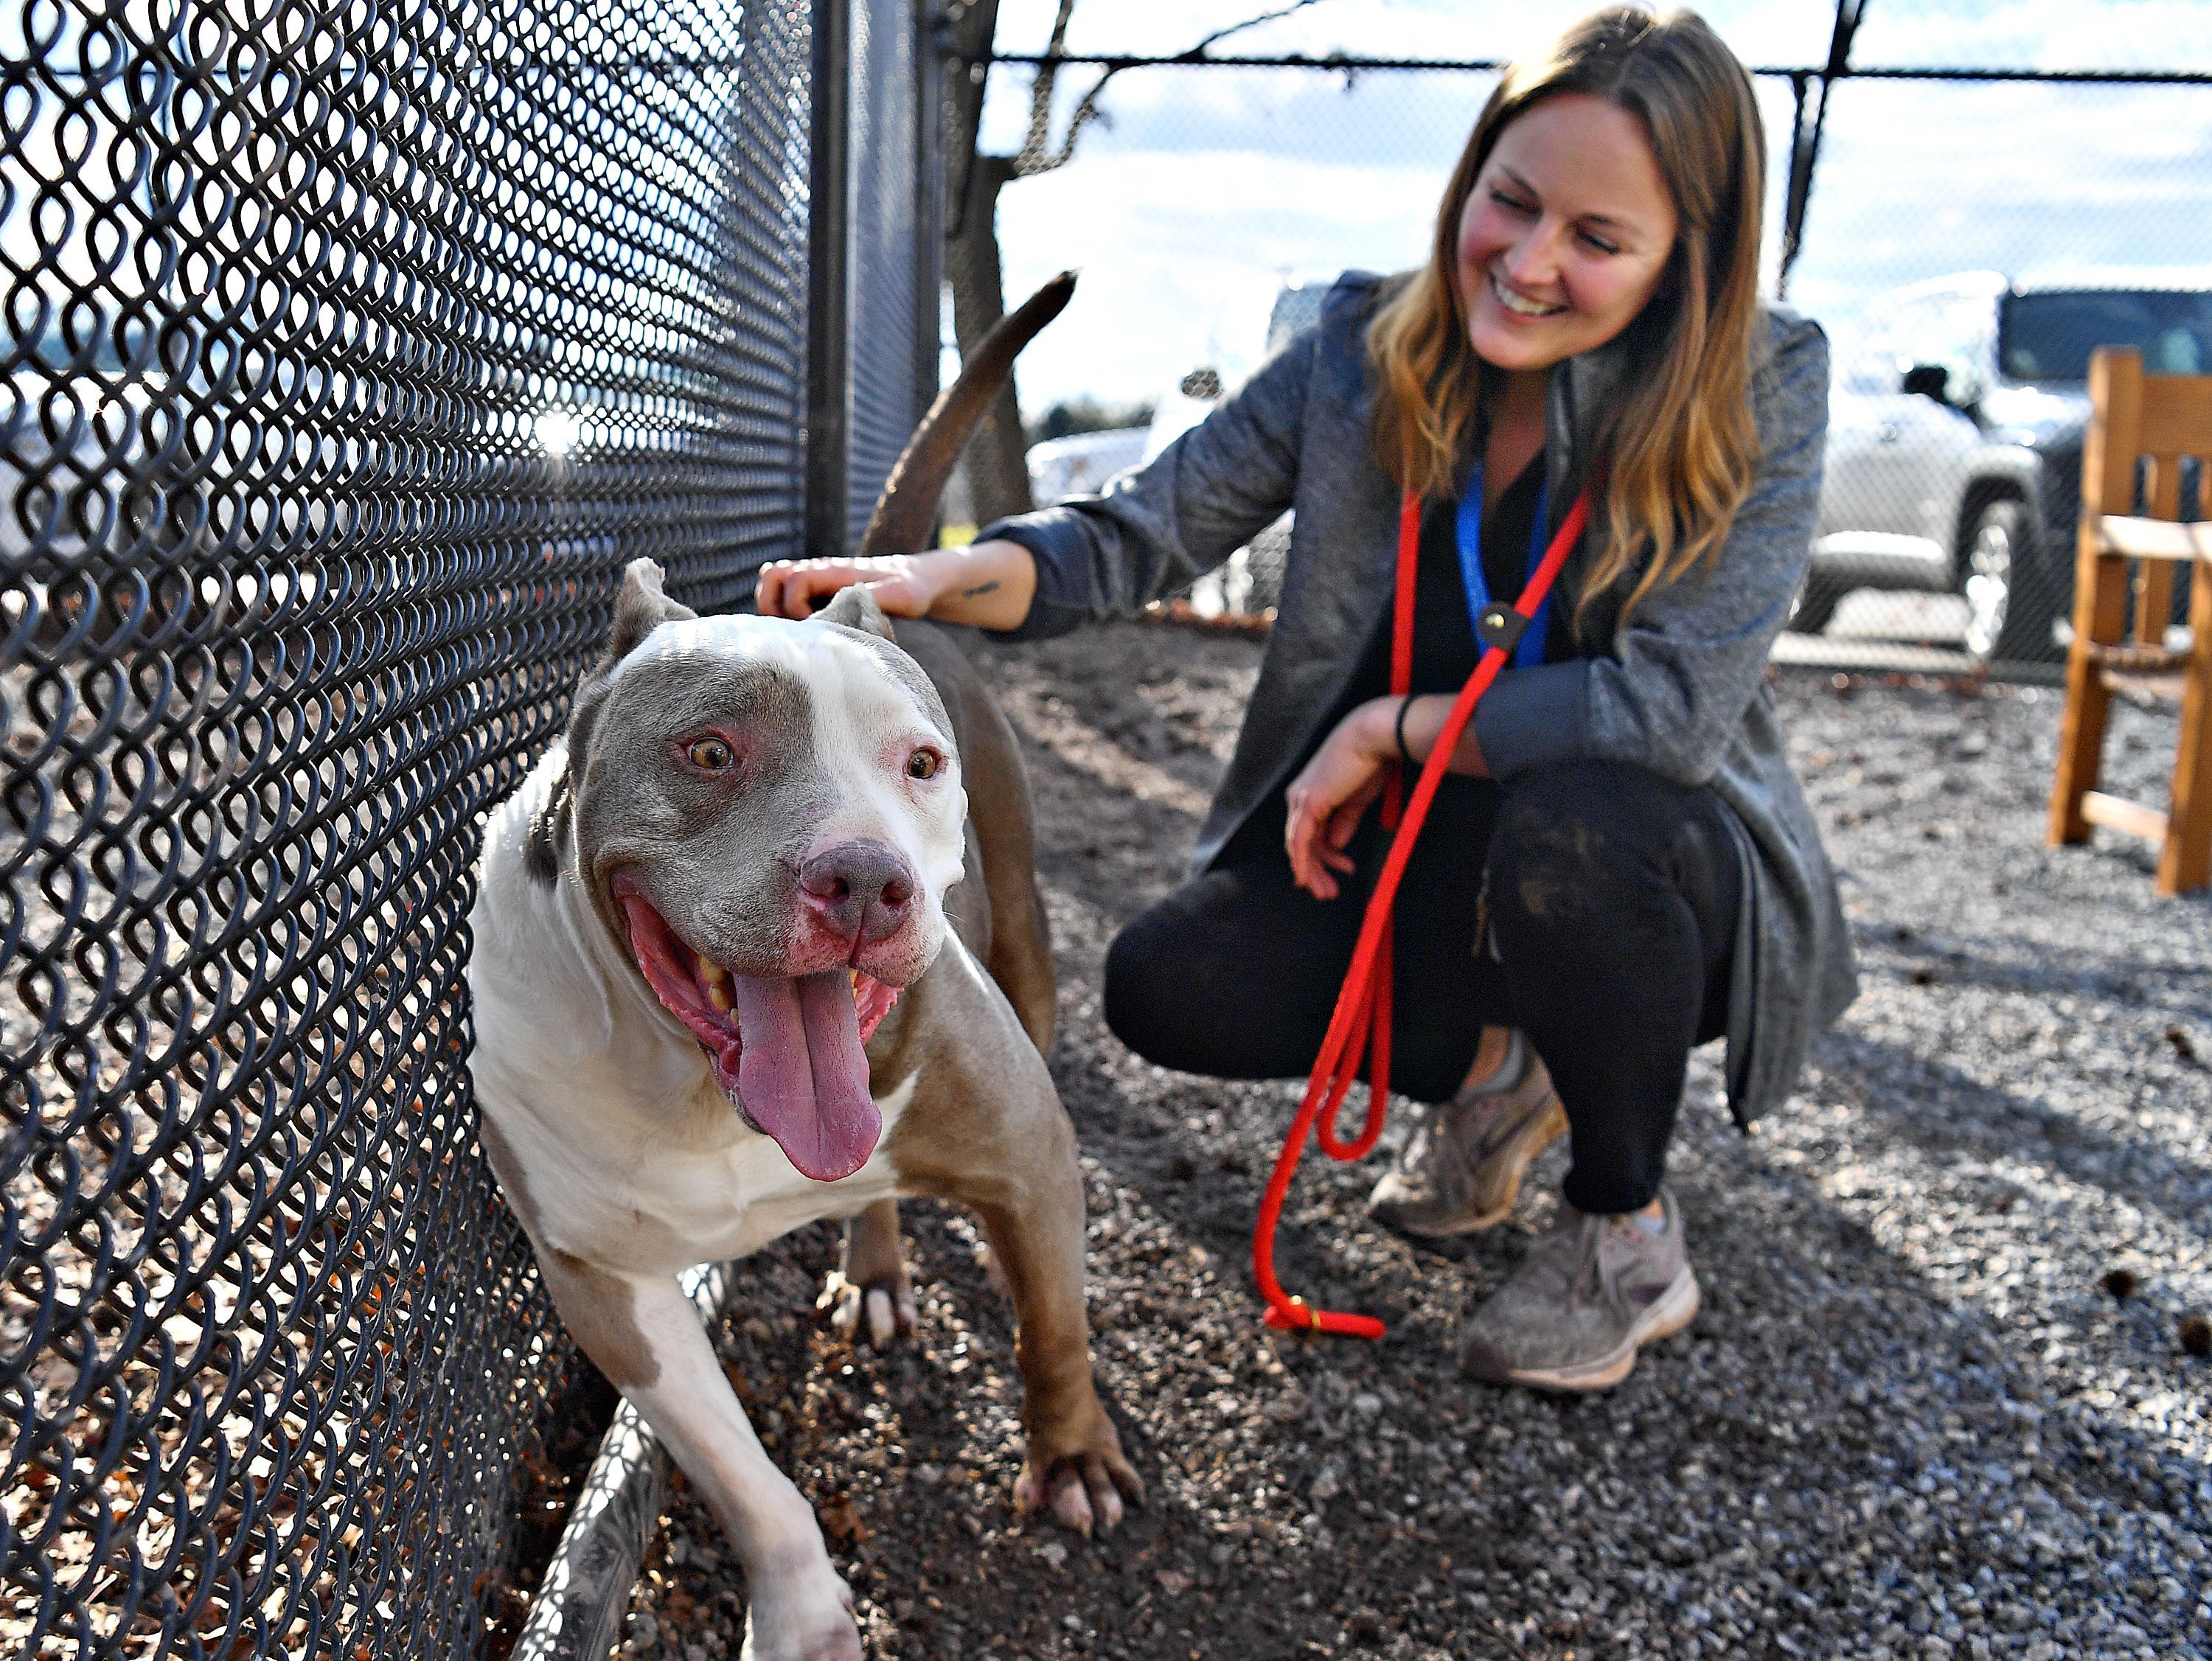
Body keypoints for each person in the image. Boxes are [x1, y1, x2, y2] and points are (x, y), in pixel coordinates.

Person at [756, 5, 1857, 1393]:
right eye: (1507, 204)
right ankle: (1505, 1074)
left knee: (1578, 836)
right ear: (1469, 181)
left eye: (1596, 239)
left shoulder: (1763, 380)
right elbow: (1135, 536)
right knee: (1173, 987)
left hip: (1640, 862)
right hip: (1415, 840)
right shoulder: (1364, 346)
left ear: (1685, 259)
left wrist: (1389, 727)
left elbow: (1673, 709)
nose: (1524, 265)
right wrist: (929, 574)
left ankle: (1623, 1227)